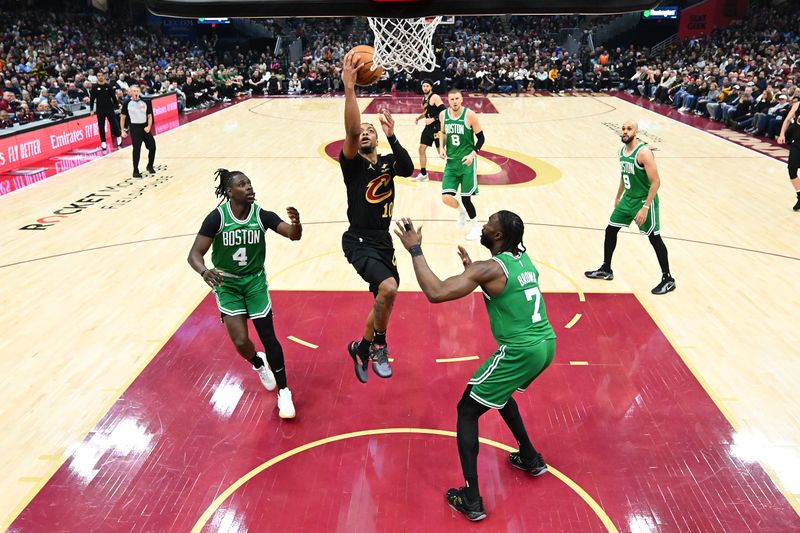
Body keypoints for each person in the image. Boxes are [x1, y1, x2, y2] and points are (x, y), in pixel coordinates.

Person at [393, 211, 556, 522]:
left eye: (489, 223)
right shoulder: (522, 259)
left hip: (521, 350)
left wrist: (415, 249)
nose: (483, 225)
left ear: (497, 236)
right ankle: (530, 457)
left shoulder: (489, 268)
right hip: (546, 344)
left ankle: (471, 499)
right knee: (500, 393)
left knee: (467, 409)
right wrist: (475, 275)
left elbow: (436, 292)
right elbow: (507, 289)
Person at [187, 169, 302, 419]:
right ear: (229, 192)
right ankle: (259, 364)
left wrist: (297, 225)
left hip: (254, 282)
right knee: (240, 341)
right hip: (227, 284)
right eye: (242, 184)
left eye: (249, 183)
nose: (249, 187)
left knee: (268, 336)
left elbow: (293, 236)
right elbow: (194, 255)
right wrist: (205, 272)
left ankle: (284, 391)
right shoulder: (217, 218)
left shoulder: (261, 215)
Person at [339, 50, 414, 383]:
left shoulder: (387, 162)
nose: (366, 132)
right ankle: (379, 345)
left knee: (383, 302)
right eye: (364, 131)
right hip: (358, 239)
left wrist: (392, 134)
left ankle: (362, 346)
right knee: (389, 289)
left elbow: (409, 169)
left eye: (372, 130)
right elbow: (352, 133)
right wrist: (351, 89)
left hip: (382, 240)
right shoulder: (353, 165)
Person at [585, 121, 676, 294]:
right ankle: (606, 269)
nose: (625, 132)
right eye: (623, 129)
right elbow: (625, 174)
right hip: (627, 199)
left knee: (654, 237)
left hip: (643, 201)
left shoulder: (644, 153)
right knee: (610, 230)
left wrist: (646, 207)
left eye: (629, 129)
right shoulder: (621, 151)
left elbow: (656, 182)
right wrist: (618, 196)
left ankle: (668, 278)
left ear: (636, 132)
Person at [439, 88, 485, 241]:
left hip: (467, 162)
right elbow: (443, 133)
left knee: (466, 198)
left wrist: (473, 154)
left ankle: (476, 227)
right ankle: (461, 212)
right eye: (452, 99)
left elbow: (481, 139)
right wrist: (441, 147)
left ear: (462, 99)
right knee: (446, 197)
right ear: (448, 101)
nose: (455, 102)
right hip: (451, 162)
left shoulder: (470, 115)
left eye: (457, 99)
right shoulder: (443, 115)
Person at [412, 79, 445, 182]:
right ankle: (423, 174)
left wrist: (433, 119)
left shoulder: (435, 97)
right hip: (428, 128)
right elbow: (426, 112)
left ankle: (457, 170)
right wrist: (419, 118)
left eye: (427, 86)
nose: (425, 88)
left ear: (431, 87)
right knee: (421, 149)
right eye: (424, 86)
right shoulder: (424, 98)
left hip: (437, 127)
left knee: (441, 152)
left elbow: (444, 111)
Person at [120, 85, 156, 177]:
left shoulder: (145, 102)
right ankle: (135, 170)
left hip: (144, 127)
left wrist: (149, 126)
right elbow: (123, 117)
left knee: (152, 147)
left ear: (139, 92)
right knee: (136, 149)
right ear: (130, 93)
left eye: (137, 91)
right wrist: (122, 130)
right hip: (135, 129)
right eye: (134, 91)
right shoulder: (127, 103)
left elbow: (149, 116)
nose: (136, 93)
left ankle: (150, 166)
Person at [776, 99, 800, 211]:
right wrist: (782, 134)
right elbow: (787, 120)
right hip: (797, 141)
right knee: (791, 168)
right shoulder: (797, 105)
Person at [89, 72, 122, 150]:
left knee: (114, 124)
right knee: (101, 126)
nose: (100, 77)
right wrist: (91, 109)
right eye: (98, 76)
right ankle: (103, 141)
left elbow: (114, 98)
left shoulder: (108, 86)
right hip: (100, 109)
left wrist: (117, 107)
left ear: (103, 77)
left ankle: (118, 136)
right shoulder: (94, 87)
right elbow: (92, 99)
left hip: (109, 108)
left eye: (101, 76)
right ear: (97, 77)